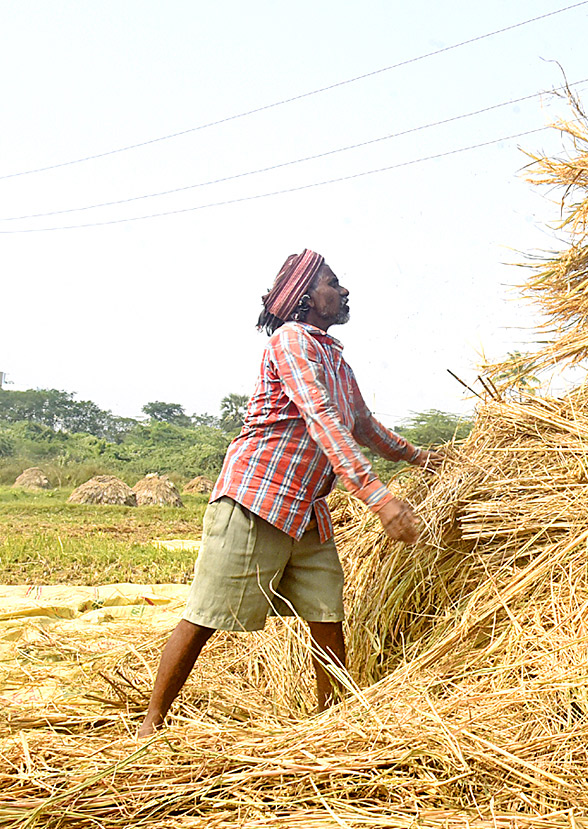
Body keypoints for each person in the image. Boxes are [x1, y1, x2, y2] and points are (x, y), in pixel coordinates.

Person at [137, 249, 441, 736]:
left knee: (326, 613)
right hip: (257, 498)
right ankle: (150, 724)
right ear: (306, 297)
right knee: (206, 614)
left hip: (306, 510)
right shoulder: (291, 341)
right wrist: (380, 499)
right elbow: (321, 419)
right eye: (333, 284)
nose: (343, 292)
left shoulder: (336, 360)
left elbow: (363, 425)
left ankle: (333, 724)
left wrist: (422, 458)